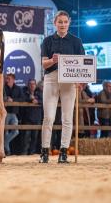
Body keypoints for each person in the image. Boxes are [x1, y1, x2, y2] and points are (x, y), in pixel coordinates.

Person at [39, 10, 85, 164]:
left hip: (69, 81)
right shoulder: (47, 41)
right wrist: (52, 60)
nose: (63, 25)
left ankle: (63, 152)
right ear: (55, 23)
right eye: (60, 22)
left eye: (65, 22)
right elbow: (43, 63)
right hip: (51, 78)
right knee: (49, 117)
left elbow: (83, 64)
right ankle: (44, 152)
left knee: (67, 118)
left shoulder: (76, 41)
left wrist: (81, 81)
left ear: (69, 22)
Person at [2, 73, 25, 155]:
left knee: (16, 131)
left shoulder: (18, 88)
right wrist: (6, 99)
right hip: (5, 112)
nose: (7, 80)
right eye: (6, 78)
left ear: (13, 80)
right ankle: (7, 151)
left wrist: (13, 100)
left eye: (9, 78)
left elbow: (23, 99)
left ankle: (3, 143)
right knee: (5, 131)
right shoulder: (3, 88)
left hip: (14, 113)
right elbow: (0, 97)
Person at [20, 78, 42, 155]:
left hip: (37, 118)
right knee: (26, 137)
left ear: (35, 85)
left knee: (34, 138)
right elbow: (21, 99)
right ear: (28, 85)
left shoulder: (39, 92)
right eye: (30, 84)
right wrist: (30, 100)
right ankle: (24, 153)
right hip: (27, 118)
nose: (32, 85)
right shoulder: (24, 91)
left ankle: (32, 153)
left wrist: (37, 101)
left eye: (33, 84)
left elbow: (43, 101)